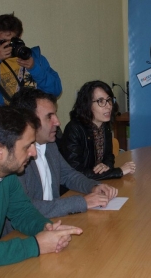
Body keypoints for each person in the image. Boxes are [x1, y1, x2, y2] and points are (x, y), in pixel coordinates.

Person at [0, 106, 83, 270]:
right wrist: (35, 245)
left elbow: (23, 212)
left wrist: (46, 228)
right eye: (27, 146)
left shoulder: (7, 176)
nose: (33, 153)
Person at [7, 87, 118, 224]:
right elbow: (24, 208)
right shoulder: (14, 157)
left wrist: (94, 186)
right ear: (27, 121)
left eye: (55, 115)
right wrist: (81, 202)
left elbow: (68, 175)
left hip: (54, 222)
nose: (58, 122)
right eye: (49, 117)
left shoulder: (50, 145)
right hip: (23, 232)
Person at [59, 80, 135, 180]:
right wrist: (119, 171)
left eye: (109, 100)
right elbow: (75, 172)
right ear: (87, 105)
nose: (108, 106)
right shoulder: (74, 129)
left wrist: (106, 165)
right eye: (101, 101)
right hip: (74, 189)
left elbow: (109, 156)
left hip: (96, 183)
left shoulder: (104, 125)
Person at [0, 13, 62, 106]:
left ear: (19, 37)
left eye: (11, 41)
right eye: (1, 41)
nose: (6, 45)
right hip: (6, 119)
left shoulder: (35, 58)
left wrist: (34, 68)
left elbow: (56, 90)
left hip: (34, 119)